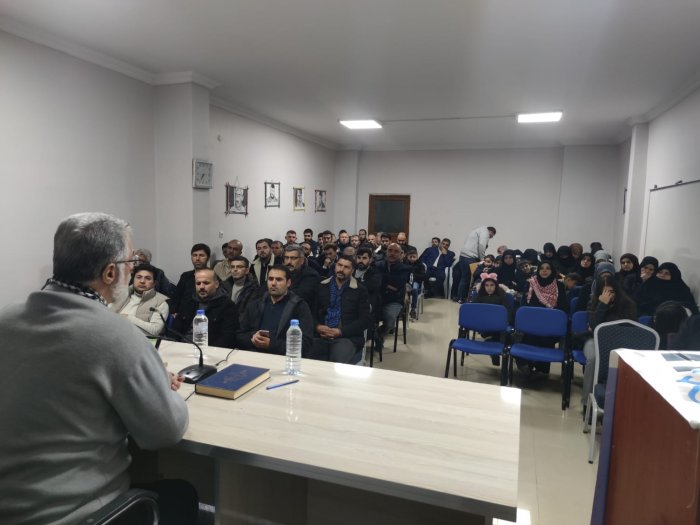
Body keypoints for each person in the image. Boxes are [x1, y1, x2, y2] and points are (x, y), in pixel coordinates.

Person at [0, 212, 193, 524]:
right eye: (131, 262)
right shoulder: (116, 335)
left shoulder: (6, 319)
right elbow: (165, 431)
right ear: (109, 273)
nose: (134, 270)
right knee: (182, 495)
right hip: (76, 515)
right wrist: (161, 386)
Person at [580, 275, 638, 408]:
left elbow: (627, 328)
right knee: (593, 359)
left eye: (611, 292)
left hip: (621, 342)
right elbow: (595, 328)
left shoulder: (628, 305)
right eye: (605, 291)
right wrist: (602, 306)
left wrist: (601, 327)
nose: (608, 295)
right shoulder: (595, 302)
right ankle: (587, 403)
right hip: (595, 340)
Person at [236, 265, 314, 356]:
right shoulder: (256, 304)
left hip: (283, 358)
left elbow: (305, 345)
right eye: (270, 279)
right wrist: (252, 339)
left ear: (288, 283)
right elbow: (239, 335)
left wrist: (271, 344)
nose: (273, 283)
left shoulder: (299, 306)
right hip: (254, 354)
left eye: (279, 280)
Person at [312, 255, 370, 363]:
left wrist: (340, 332)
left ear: (352, 270)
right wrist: (317, 326)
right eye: (339, 265)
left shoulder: (359, 290)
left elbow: (364, 320)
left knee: (337, 362)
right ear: (335, 266)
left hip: (347, 337)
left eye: (346, 267)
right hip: (321, 335)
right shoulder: (322, 286)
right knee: (310, 360)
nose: (341, 269)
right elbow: (311, 314)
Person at [520, 260, 568, 374]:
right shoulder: (531, 283)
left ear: (552, 271)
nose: (544, 271)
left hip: (550, 324)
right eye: (542, 268)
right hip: (532, 323)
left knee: (546, 340)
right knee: (529, 338)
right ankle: (527, 366)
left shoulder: (559, 286)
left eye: (548, 268)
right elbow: (525, 304)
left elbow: (563, 307)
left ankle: (541, 371)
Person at [171, 268, 238, 348]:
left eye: (206, 283)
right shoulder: (188, 302)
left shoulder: (227, 306)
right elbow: (174, 331)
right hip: (182, 347)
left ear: (216, 284)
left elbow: (228, 337)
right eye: (198, 283)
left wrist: (207, 351)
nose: (201, 287)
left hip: (209, 350)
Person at [110, 263, 170, 336]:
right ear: (133, 279)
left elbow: (155, 331)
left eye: (148, 278)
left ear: (154, 283)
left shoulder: (160, 302)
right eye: (139, 277)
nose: (142, 281)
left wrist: (129, 318)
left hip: (138, 340)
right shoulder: (121, 294)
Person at [473, 273, 512, 365]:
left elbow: (508, 310)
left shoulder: (501, 297)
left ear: (496, 286)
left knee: (502, 336)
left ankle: (495, 350)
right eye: (486, 285)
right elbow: (473, 310)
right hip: (484, 325)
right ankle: (494, 351)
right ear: (483, 286)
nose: (489, 288)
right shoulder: (479, 297)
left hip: (499, 324)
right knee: (491, 336)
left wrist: (506, 321)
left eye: (492, 285)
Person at [635, 262, 699, 315]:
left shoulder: (681, 289)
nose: (662, 275)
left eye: (667, 273)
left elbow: (690, 307)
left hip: (668, 318)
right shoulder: (649, 283)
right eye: (660, 272)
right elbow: (635, 299)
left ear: (674, 276)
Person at [456, 226, 496, 302]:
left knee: (464, 278)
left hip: (464, 256)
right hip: (470, 257)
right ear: (490, 231)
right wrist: (482, 259)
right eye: (491, 235)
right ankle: (462, 298)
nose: (490, 237)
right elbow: (482, 245)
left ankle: (460, 298)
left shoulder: (476, 231)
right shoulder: (485, 232)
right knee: (468, 279)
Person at [170, 243, 211, 316]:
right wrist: (174, 312)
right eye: (194, 255)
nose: (197, 258)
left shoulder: (213, 277)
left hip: (206, 315)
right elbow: (176, 298)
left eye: (201, 255)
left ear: (208, 258)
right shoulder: (185, 276)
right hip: (184, 316)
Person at [379, 243, 410, 336]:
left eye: (396, 251)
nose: (392, 253)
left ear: (401, 254)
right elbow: (375, 280)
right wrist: (388, 284)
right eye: (390, 250)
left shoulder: (405, 268)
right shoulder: (378, 265)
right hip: (378, 298)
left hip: (395, 300)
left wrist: (382, 279)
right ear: (386, 252)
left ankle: (380, 334)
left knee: (389, 318)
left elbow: (398, 283)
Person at [284, 244, 319, 311]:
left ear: (302, 260)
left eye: (293, 258)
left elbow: (299, 296)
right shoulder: (281, 272)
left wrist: (277, 293)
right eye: (286, 258)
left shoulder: (311, 275)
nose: (289, 262)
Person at [405, 248, 426, 320]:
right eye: (410, 257)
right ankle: (403, 309)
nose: (412, 258)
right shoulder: (405, 264)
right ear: (407, 257)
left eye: (414, 257)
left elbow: (423, 277)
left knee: (414, 289)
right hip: (407, 282)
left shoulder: (421, 265)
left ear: (417, 257)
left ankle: (413, 309)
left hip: (416, 282)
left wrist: (414, 274)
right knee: (402, 288)